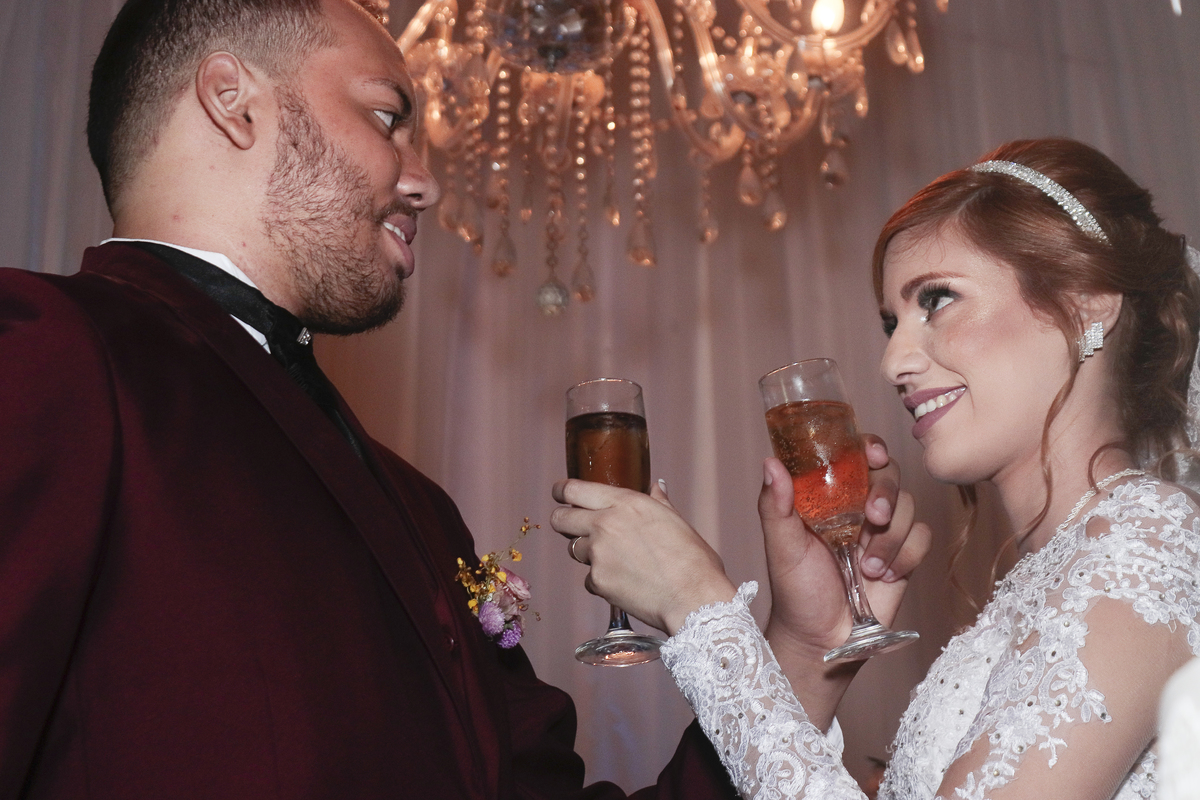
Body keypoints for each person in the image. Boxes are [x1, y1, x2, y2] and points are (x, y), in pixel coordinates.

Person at [0, 0, 917, 796]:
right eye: (388, 114)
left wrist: (799, 645)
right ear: (232, 100)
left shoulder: (421, 511)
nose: (424, 178)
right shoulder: (54, 353)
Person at [552, 138, 1200, 800]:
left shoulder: (1147, 543)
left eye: (938, 299)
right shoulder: (1075, 565)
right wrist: (809, 646)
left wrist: (700, 609)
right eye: (892, 322)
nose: (893, 362)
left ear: (1089, 304)